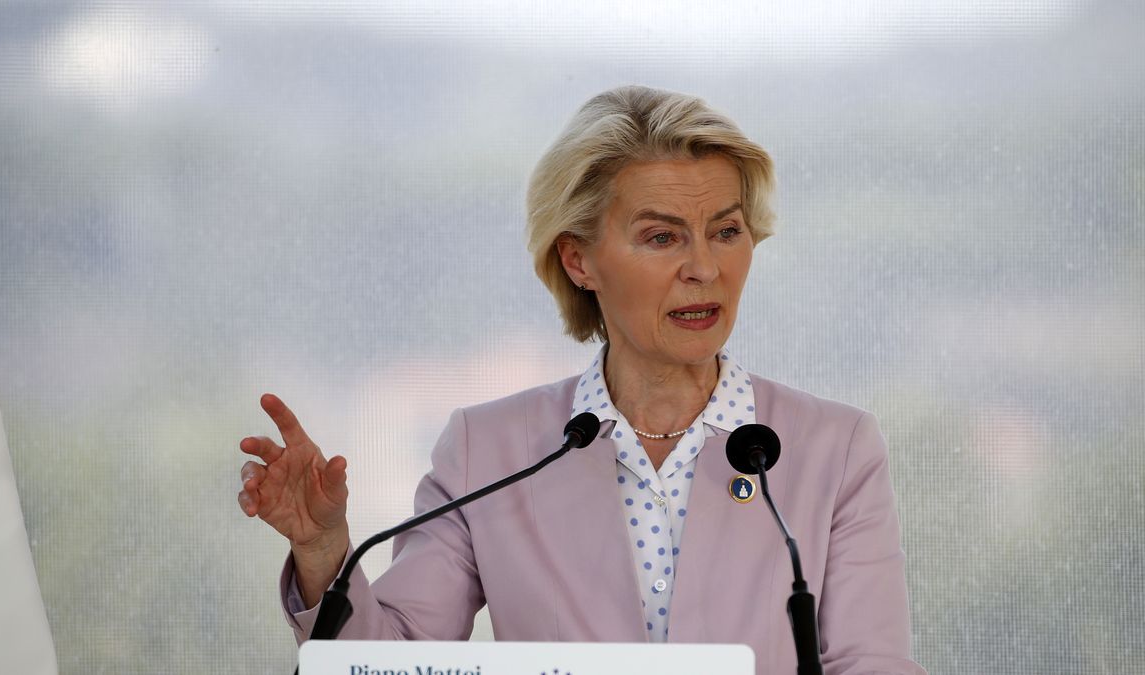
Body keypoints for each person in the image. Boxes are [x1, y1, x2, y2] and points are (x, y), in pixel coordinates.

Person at [237, 85, 926, 674]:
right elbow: (394, 661)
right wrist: (323, 549)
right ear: (578, 260)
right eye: (662, 236)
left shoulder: (835, 451)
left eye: (726, 230)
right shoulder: (488, 451)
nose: (705, 267)